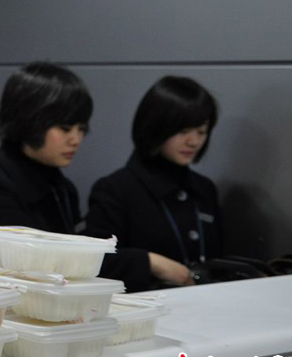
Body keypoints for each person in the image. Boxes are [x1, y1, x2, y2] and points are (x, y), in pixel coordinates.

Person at [84, 76, 223, 292]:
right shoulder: (116, 189)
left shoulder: (204, 188)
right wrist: (149, 262)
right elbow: (93, 262)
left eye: (201, 131)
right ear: (156, 127)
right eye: (183, 131)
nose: (194, 141)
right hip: (143, 307)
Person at [0, 62, 93, 234]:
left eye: (81, 129)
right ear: (30, 122)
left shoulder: (64, 189)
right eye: (65, 129)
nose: (76, 140)